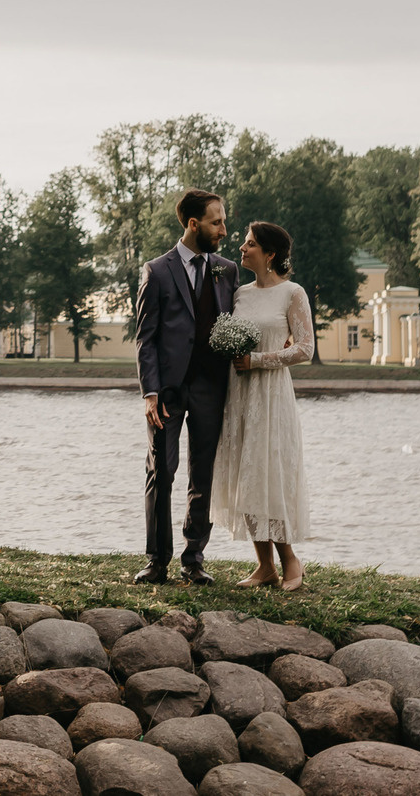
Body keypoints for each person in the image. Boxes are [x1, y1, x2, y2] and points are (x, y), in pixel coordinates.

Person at [133, 188, 241, 585]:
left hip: (212, 388)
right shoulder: (157, 271)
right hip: (167, 392)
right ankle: (157, 560)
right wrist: (150, 391)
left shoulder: (227, 270)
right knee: (161, 471)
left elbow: (235, 322)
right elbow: (146, 337)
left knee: (203, 474)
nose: (224, 230)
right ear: (193, 224)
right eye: (217, 222)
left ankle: (193, 558)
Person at [213, 218, 314, 590]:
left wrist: (258, 360)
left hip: (271, 395)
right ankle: (263, 566)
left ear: (270, 254)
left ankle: (290, 561)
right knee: (247, 475)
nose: (242, 248)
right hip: (239, 395)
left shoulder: (293, 293)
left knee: (271, 475)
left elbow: (305, 349)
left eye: (250, 243)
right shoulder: (239, 294)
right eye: (244, 242)